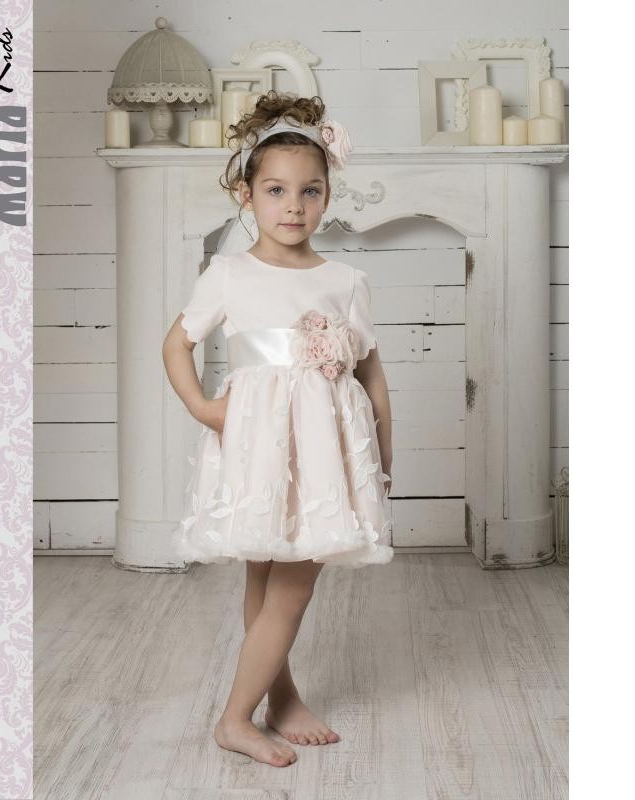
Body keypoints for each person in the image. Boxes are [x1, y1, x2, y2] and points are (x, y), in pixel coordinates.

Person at [162, 90, 394, 768]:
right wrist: (204, 409)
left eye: (309, 191)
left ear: (327, 196)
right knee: (279, 584)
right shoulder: (230, 274)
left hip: (325, 457)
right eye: (276, 190)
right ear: (246, 195)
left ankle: (280, 700)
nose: (294, 206)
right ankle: (235, 719)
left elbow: (372, 376)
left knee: (276, 584)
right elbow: (176, 345)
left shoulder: (345, 280)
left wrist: (381, 458)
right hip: (262, 450)